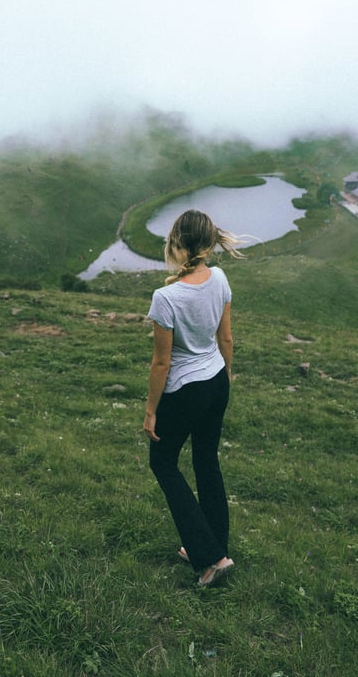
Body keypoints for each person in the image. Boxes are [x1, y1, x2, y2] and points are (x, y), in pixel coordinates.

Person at [144, 209, 243, 587]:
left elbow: (161, 362)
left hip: (186, 389)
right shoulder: (219, 277)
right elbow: (226, 339)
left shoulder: (165, 297)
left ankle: (208, 556)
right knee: (206, 461)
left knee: (164, 463)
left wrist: (151, 410)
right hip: (217, 380)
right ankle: (217, 546)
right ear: (208, 242)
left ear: (177, 242)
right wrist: (226, 376)